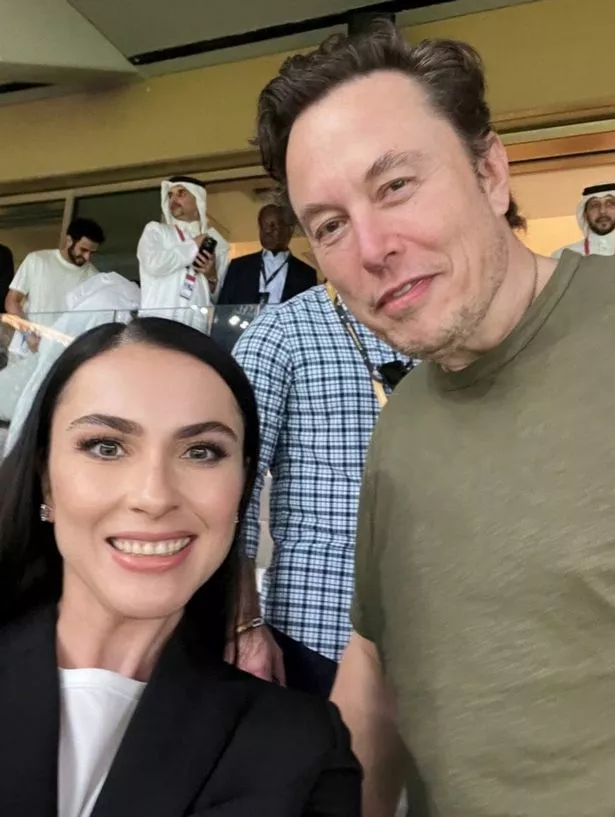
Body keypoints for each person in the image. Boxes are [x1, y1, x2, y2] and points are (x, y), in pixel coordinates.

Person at [255, 21, 615, 817]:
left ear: (490, 172)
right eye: (330, 224)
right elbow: (376, 670)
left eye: (394, 185)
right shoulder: (403, 423)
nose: (371, 247)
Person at [0, 317, 360, 816]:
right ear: (46, 480)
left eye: (201, 451)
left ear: (242, 485)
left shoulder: (302, 749)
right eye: (106, 447)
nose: (154, 496)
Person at [232, 285, 414, 696]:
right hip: (317, 635)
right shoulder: (281, 333)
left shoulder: (442, 331)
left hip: (439, 640)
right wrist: (242, 626)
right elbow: (235, 489)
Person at [2, 271, 140, 452]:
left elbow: (73, 299)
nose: (87, 257)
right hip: (68, 354)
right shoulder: (124, 300)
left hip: (57, 347)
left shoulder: (103, 290)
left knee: (37, 401)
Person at [137, 176, 230, 331]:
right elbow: (154, 264)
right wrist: (194, 245)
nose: (173, 200)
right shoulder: (156, 231)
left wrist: (211, 277)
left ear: (198, 200)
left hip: (196, 328)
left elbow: (221, 297)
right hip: (157, 326)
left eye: (181, 193)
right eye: (170, 195)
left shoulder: (216, 243)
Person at [4, 218, 104, 358]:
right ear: (69, 240)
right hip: (25, 350)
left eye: (92, 253)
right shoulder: (37, 260)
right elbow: (11, 301)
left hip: (63, 355)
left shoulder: (95, 277)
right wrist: (28, 334)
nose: (87, 257)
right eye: (83, 249)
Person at [218, 204, 317, 305]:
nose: (268, 230)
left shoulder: (306, 275)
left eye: (273, 225)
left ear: (290, 230)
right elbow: (222, 309)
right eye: (263, 226)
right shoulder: (238, 267)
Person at [553, 183, 615, 258]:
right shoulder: (562, 256)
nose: (602, 211)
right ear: (585, 214)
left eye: (610, 204)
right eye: (595, 205)